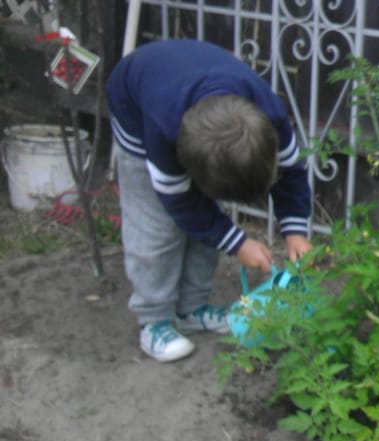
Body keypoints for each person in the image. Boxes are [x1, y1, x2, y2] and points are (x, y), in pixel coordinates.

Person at [106, 39, 313, 362]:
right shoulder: (163, 130)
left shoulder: (270, 114)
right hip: (136, 107)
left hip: (185, 87)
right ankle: (154, 319)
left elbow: (290, 172)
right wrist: (238, 243)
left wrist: (295, 229)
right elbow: (182, 204)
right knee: (156, 228)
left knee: (208, 224)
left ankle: (192, 307)